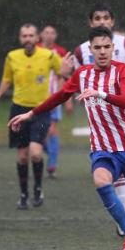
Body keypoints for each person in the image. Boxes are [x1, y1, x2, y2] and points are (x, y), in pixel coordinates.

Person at [8, 26, 125, 250]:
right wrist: (30, 114)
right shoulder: (82, 74)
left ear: (113, 48)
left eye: (107, 47)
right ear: (90, 49)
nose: (103, 51)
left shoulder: (123, 71)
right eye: (98, 47)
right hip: (103, 149)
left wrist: (101, 94)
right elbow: (60, 96)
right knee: (101, 181)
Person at [74, 3, 125, 237]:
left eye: (106, 17)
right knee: (111, 166)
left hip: (123, 112)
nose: (101, 22)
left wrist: (123, 93)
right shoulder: (81, 51)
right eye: (97, 18)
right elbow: (76, 82)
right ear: (90, 23)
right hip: (98, 114)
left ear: (112, 21)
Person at [0, 23, 71, 209]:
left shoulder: (49, 55)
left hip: (40, 111)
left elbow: (64, 74)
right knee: (23, 156)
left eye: (31, 35)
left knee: (35, 153)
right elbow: (6, 79)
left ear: (37, 38)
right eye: (24, 36)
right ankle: (24, 194)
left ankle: (38, 189)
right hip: (18, 110)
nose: (28, 39)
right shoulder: (12, 57)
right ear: (20, 38)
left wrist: (67, 75)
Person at [38, 25, 72, 178]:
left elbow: (66, 78)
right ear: (41, 35)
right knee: (40, 133)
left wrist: (67, 99)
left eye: (52, 32)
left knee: (51, 129)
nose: (49, 35)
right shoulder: (35, 50)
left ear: (56, 35)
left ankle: (52, 164)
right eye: (46, 32)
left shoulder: (61, 52)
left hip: (53, 98)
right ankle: (50, 154)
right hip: (35, 98)